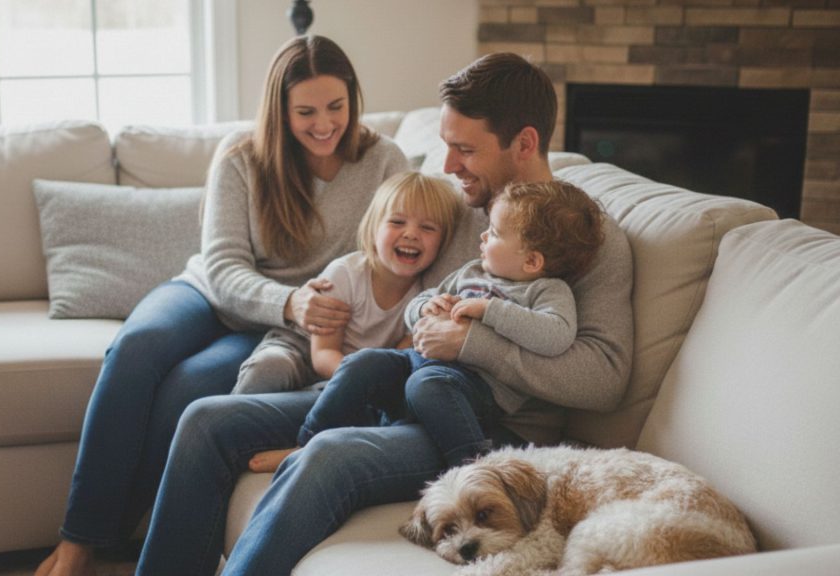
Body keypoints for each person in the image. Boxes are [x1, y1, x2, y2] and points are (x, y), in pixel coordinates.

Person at [135, 52, 634, 576]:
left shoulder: (583, 238)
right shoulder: (453, 211)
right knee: (206, 419)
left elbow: (604, 379)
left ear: (525, 144)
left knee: (328, 455)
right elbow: (387, 282)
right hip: (402, 388)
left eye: (465, 149)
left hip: (487, 429)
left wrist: (469, 344)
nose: (446, 166)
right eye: (446, 145)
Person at [34, 35, 409, 576]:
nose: (323, 124)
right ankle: (76, 541)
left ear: (354, 99)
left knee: (188, 391)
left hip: (283, 327)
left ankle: (117, 539)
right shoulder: (242, 156)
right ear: (280, 111)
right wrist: (290, 301)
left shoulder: (383, 160)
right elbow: (225, 266)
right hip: (213, 292)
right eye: (305, 111)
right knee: (135, 349)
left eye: (336, 107)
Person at [251, 179, 605, 472]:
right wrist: (425, 307)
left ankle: (473, 472)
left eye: (494, 233)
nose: (483, 238)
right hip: (420, 363)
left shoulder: (548, 290)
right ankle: (306, 442)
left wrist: (489, 310)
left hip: (476, 390)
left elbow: (556, 335)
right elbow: (420, 304)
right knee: (365, 362)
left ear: (531, 260)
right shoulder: (472, 272)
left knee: (427, 385)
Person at [232, 172, 462, 396]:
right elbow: (323, 354)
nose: (411, 234)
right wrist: (360, 378)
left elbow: (398, 356)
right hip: (302, 350)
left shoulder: (424, 298)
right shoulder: (345, 274)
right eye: (397, 222)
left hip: (346, 378)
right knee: (270, 366)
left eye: (428, 228)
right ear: (373, 230)